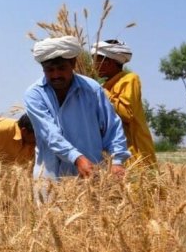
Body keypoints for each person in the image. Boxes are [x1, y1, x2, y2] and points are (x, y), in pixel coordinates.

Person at [24, 36, 130, 180]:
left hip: (92, 176)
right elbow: (50, 134)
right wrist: (77, 158)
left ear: (73, 64)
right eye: (50, 70)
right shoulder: (34, 95)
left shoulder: (92, 89)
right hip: (50, 181)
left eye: (61, 68)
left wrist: (117, 161)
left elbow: (112, 127)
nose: (56, 75)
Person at [91, 40, 157, 167]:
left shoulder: (130, 79)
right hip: (114, 154)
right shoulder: (104, 86)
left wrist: (103, 92)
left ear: (109, 62)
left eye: (96, 60)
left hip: (135, 152)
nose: (93, 65)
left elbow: (126, 114)